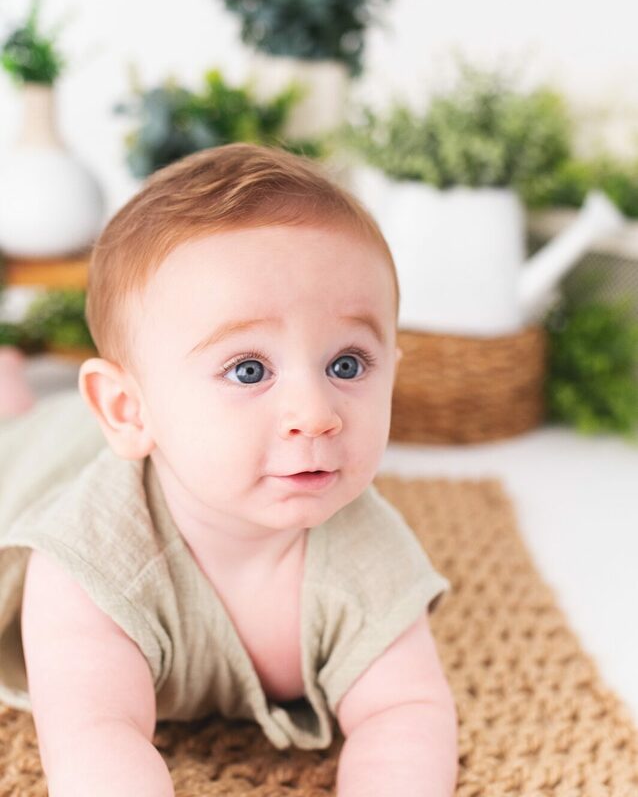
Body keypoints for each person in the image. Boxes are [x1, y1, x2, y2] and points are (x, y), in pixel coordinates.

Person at [0, 143, 458, 797]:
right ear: (129, 409)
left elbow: (407, 712)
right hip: (43, 461)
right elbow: (94, 735)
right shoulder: (85, 565)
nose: (316, 414)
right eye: (248, 370)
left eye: (347, 364)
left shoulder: (367, 557)